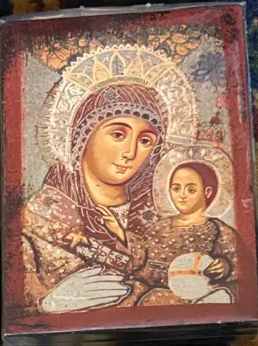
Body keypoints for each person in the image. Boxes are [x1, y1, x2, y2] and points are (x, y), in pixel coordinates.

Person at [20, 82, 165, 315]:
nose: (130, 152)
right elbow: (11, 306)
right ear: (83, 136)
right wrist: (48, 305)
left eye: (145, 141)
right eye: (118, 134)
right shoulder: (38, 219)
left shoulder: (160, 219)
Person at [126, 161, 240, 305]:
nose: (182, 195)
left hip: (190, 295)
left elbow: (238, 262)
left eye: (190, 190)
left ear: (207, 192)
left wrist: (225, 266)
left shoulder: (218, 229)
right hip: (146, 287)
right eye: (176, 189)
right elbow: (140, 258)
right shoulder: (159, 227)